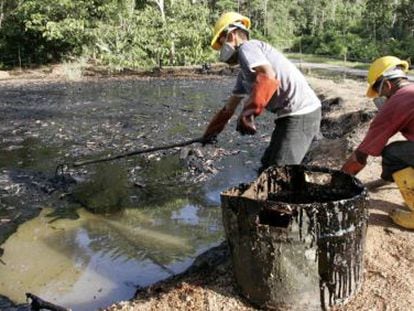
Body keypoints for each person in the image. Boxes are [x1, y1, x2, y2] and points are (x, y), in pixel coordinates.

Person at [202, 12, 321, 173]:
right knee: (266, 168)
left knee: (279, 174)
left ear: (233, 35)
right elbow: (229, 108)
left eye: (222, 42)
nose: (222, 49)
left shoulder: (247, 47)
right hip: (290, 116)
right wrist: (210, 133)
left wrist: (248, 113)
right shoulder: (244, 74)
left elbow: (268, 76)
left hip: (301, 114)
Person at [341, 55, 414, 229]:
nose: (382, 99)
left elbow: (362, 154)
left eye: (381, 94)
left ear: (388, 85)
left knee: (393, 154)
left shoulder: (397, 102)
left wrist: (340, 181)